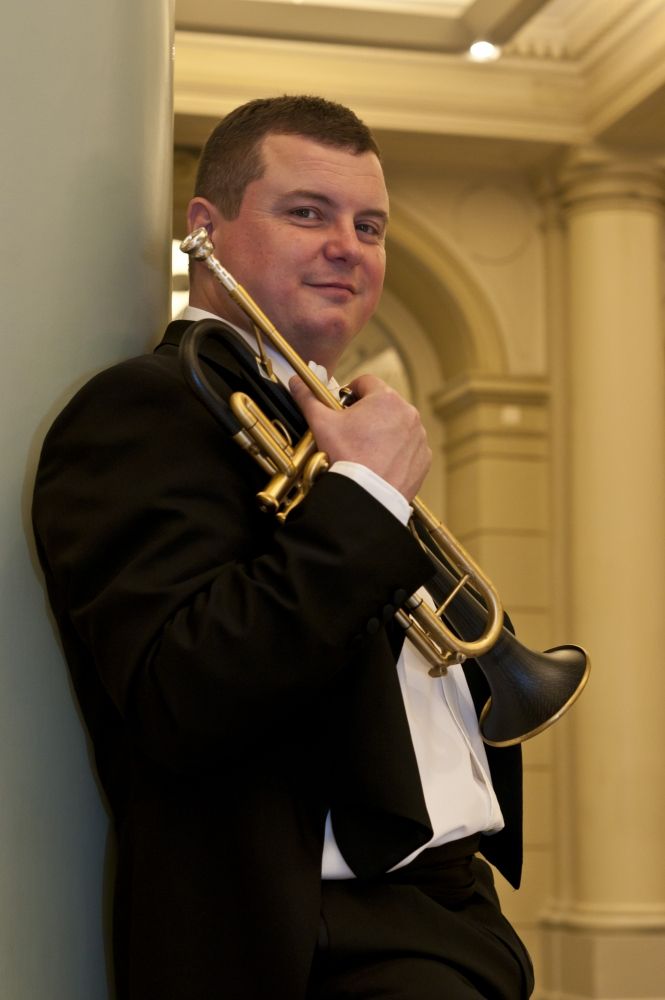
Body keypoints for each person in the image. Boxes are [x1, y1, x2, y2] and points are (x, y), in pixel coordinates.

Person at [32, 95, 534, 999]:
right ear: (206, 231)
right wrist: (366, 496)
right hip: (316, 942)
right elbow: (182, 690)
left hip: (450, 911)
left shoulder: (322, 422)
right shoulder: (145, 408)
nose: (348, 245)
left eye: (369, 226)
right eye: (308, 212)